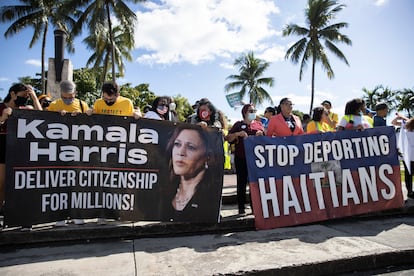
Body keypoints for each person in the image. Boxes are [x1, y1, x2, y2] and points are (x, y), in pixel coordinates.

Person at [0, 83, 42, 230]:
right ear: (12, 94)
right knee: (3, 182)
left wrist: (34, 97)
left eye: (27, 96)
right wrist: (3, 117)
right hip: (3, 144)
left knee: (22, 183)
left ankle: (22, 216)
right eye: (22, 96)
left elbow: (43, 116)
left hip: (21, 147)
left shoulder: (26, 109)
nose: (24, 99)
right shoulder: (1, 107)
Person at [162, 124, 222, 222]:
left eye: (191, 147)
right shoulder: (164, 192)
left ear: (208, 156)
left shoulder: (210, 197)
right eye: (177, 144)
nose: (181, 152)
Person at [225, 104, 264, 214]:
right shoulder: (238, 125)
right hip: (241, 157)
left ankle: (254, 207)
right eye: (250, 111)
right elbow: (228, 138)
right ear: (244, 113)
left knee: (254, 184)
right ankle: (241, 208)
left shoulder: (258, 125)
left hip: (256, 159)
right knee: (241, 183)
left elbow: (266, 139)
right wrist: (237, 134)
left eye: (254, 110)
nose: (253, 112)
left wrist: (261, 134)